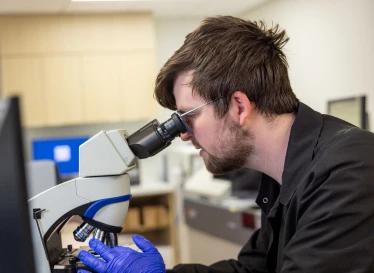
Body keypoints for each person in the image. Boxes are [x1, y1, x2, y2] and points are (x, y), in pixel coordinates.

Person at [77, 16, 374, 273]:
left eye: (187, 117)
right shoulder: (283, 179)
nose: (182, 134)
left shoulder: (349, 172)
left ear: (239, 107)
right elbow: (251, 270)